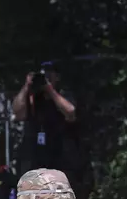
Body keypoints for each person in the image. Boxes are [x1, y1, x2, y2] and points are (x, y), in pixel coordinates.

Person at [12, 62, 81, 192]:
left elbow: (70, 112)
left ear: (57, 77)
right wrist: (26, 86)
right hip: (35, 157)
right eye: (44, 75)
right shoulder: (32, 97)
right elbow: (18, 112)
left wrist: (50, 90)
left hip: (58, 155)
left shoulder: (62, 94)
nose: (46, 78)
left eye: (50, 75)